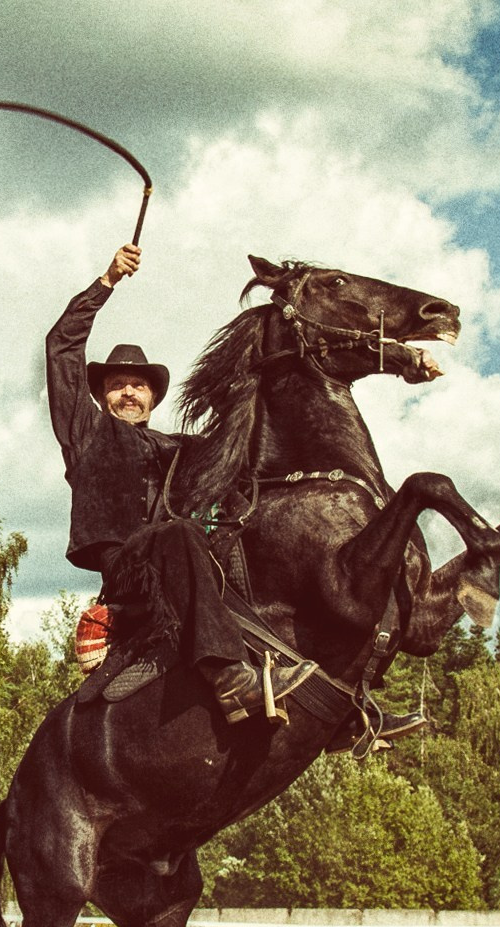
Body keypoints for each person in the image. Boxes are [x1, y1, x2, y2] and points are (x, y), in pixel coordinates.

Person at [47, 244, 309, 723]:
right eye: (118, 384)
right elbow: (61, 347)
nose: (129, 391)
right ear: (102, 395)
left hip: (188, 569)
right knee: (179, 534)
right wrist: (106, 281)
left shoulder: (178, 448)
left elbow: (242, 454)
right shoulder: (84, 433)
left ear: (151, 397)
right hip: (129, 570)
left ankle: (343, 704)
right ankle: (231, 680)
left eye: (139, 385)